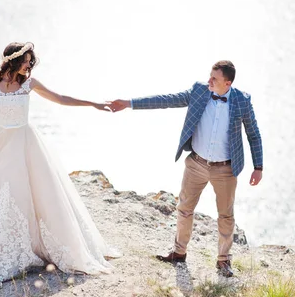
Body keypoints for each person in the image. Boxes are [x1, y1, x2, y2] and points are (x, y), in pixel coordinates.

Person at [0, 42, 120, 285]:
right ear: (12, 61)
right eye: (26, 61)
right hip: (0, 143)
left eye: (31, 61)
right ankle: (7, 247)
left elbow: (60, 98)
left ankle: (38, 246)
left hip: (26, 142)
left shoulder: (29, 84)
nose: (29, 65)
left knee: (38, 192)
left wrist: (93, 104)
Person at [108, 60, 263, 277]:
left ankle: (224, 260)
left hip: (225, 169)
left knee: (226, 216)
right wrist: (129, 103)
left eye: (215, 79)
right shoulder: (200, 90)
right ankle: (178, 253)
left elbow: (253, 135)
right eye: (210, 76)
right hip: (196, 164)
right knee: (184, 209)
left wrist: (258, 167)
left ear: (227, 83)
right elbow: (167, 100)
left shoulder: (242, 101)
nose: (209, 80)